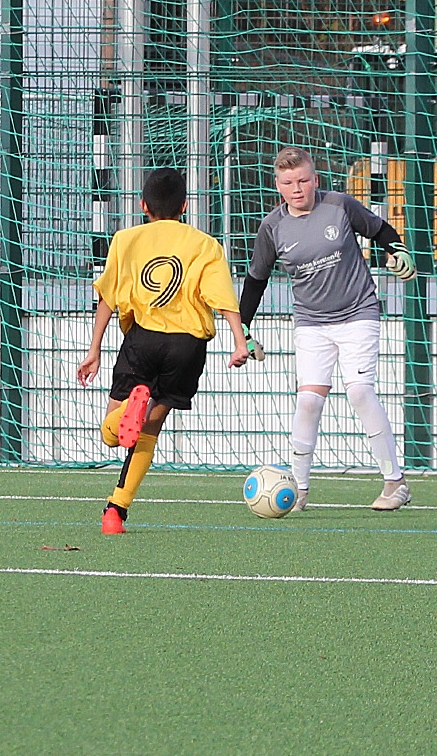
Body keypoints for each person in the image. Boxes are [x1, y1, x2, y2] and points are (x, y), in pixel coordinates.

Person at [238, 147, 417, 511]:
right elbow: (256, 280)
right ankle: (299, 490)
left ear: (315, 180)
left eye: (303, 180)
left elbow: (380, 229)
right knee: (308, 401)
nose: (297, 188)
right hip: (312, 323)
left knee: (360, 392)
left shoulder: (339, 205)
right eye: (289, 182)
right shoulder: (272, 227)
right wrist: (243, 330)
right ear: (278, 186)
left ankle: (395, 483)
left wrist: (398, 251)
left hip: (358, 313)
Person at [76, 168, 250, 534]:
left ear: (143, 205)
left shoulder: (125, 240)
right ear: (185, 206)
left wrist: (94, 349)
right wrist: (239, 341)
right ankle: (115, 512)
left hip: (143, 339)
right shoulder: (205, 244)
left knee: (111, 434)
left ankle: (126, 413)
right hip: (187, 346)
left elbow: (108, 296)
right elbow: (222, 297)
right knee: (149, 428)